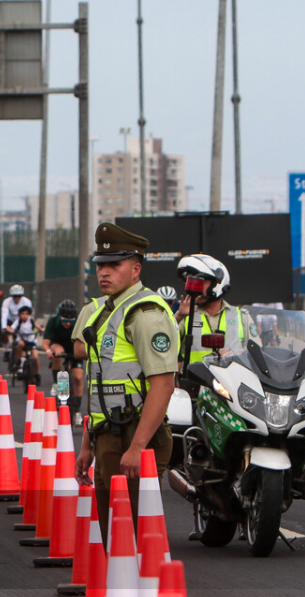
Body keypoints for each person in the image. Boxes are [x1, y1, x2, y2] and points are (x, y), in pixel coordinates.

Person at [73, 222, 177, 539]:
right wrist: (88, 444)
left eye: (113, 265)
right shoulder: (105, 311)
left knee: (128, 534)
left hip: (132, 436)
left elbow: (163, 384)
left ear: (135, 269)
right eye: (100, 265)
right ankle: (115, 588)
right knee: (113, 535)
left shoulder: (145, 314)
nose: (104, 272)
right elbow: (99, 386)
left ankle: (134, 590)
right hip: (108, 435)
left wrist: (137, 447)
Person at [174, 254, 247, 366]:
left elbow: (255, 356)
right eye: (191, 282)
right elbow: (164, 341)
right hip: (193, 381)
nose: (196, 287)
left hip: (231, 382)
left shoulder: (241, 316)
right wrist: (179, 316)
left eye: (202, 282)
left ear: (217, 283)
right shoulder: (185, 316)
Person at [44, 299, 83, 402]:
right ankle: (56, 383)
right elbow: (46, 342)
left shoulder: (79, 323)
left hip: (73, 346)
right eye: (65, 321)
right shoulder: (53, 321)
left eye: (70, 321)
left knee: (78, 378)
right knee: (58, 354)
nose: (68, 324)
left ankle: (77, 410)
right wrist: (48, 352)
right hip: (58, 344)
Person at [0, 284, 33, 361]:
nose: (17, 298)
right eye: (15, 296)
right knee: (4, 335)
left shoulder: (27, 301)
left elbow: (29, 315)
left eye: (19, 296)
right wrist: (4, 328)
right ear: (12, 296)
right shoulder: (6, 302)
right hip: (10, 320)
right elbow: (4, 314)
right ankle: (7, 351)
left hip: (21, 320)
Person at [8, 305, 40, 377]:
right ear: (20, 314)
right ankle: (20, 362)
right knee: (20, 345)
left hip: (31, 341)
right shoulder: (18, 321)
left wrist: (42, 329)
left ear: (29, 315)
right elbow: (12, 329)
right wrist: (10, 330)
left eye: (26, 314)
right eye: (22, 314)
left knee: (35, 357)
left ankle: (37, 374)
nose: (24, 316)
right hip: (22, 340)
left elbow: (38, 327)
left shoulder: (31, 321)